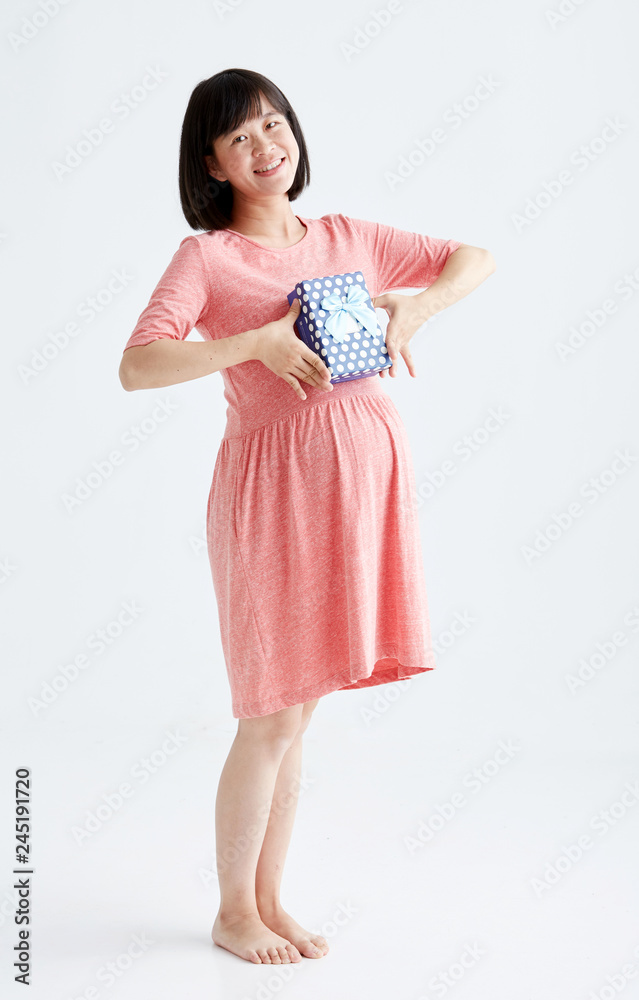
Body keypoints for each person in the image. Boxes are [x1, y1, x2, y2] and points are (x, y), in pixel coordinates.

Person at [118, 67, 496, 967]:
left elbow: (472, 257)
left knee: (297, 716)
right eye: (239, 136)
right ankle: (232, 912)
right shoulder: (207, 258)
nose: (265, 146)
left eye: (274, 124)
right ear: (211, 163)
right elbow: (139, 364)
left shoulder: (345, 236)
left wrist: (416, 307)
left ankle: (267, 900)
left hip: (357, 487)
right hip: (274, 498)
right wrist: (253, 341)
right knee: (269, 713)